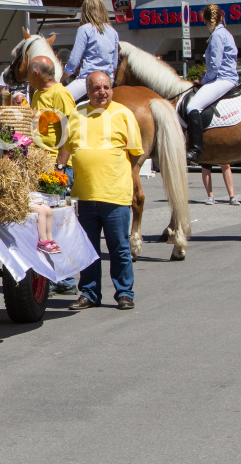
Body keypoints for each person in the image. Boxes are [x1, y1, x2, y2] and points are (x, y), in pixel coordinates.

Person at [57, 71, 143, 311]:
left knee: (119, 247)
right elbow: (66, 147)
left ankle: (124, 293)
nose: (102, 92)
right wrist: (59, 170)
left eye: (106, 87)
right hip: (85, 195)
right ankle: (90, 293)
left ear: (111, 88)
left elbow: (137, 152)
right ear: (88, 90)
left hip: (115, 194)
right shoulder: (76, 114)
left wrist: (129, 178)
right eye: (96, 88)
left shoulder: (123, 114)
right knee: (87, 248)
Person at [29, 56, 77, 292]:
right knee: (44, 223)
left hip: (55, 166)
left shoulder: (61, 94)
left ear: (36, 74)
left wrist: (60, 166)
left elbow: (71, 131)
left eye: (29, 74)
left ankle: (65, 278)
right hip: (40, 164)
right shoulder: (38, 94)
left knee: (56, 222)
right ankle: (51, 275)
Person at [185, 4, 238, 164]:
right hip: (228, 78)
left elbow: (214, 65)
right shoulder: (226, 33)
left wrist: (203, 81)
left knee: (192, 107)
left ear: (207, 21)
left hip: (222, 79)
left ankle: (195, 150)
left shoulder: (216, 36)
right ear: (222, 17)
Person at [62, 0, 119, 102]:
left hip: (88, 79)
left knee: (58, 99)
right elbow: (114, 64)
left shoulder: (84, 29)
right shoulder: (113, 32)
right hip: (108, 81)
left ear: (86, 11)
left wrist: (63, 78)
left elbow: (74, 62)